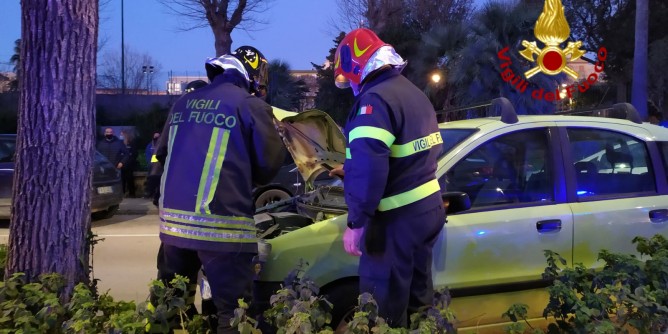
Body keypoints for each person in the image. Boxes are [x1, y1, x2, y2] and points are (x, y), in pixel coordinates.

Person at [154, 45, 284, 334]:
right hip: (222, 231)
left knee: (169, 307)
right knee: (234, 314)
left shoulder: (183, 103)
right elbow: (268, 168)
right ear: (252, 74)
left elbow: (162, 153)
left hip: (174, 231)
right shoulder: (250, 106)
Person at [329, 28, 446, 327]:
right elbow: (403, 154)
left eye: (350, 77)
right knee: (418, 303)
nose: (351, 85)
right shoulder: (411, 92)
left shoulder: (374, 101)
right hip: (426, 210)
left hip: (395, 220)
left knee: (382, 311)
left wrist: (356, 222)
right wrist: (350, 170)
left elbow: (371, 167)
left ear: (356, 65)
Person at [143, 132, 162, 200]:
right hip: (152, 168)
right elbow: (148, 155)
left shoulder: (162, 145)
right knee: (151, 182)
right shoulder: (150, 145)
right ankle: (150, 194)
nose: (156, 138)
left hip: (160, 168)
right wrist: (151, 164)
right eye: (155, 136)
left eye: (158, 136)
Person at [120, 129, 138, 197]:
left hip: (129, 165)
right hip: (121, 165)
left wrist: (130, 161)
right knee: (122, 180)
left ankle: (132, 194)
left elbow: (134, 154)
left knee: (130, 179)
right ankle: (122, 193)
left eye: (122, 135)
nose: (121, 136)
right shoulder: (120, 143)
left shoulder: (131, 143)